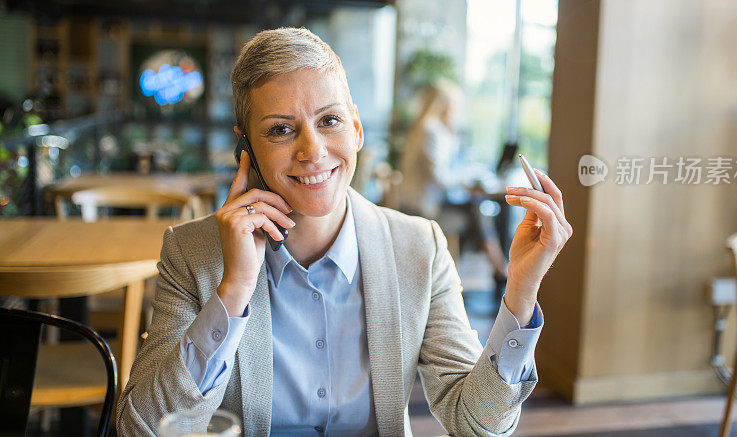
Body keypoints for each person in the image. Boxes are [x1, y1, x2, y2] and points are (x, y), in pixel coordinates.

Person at [116, 27, 573, 436]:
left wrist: (522, 288)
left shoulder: (419, 247)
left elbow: (477, 423)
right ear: (247, 148)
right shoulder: (193, 253)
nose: (312, 151)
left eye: (329, 121)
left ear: (355, 128)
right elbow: (143, 429)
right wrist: (233, 291)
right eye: (280, 130)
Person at [399, 81, 509, 283]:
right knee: (476, 212)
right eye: (456, 107)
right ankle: (493, 269)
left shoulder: (424, 129)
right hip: (421, 211)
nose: (458, 113)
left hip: (419, 205)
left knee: (475, 211)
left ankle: (494, 268)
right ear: (445, 107)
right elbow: (440, 178)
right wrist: (467, 183)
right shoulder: (431, 131)